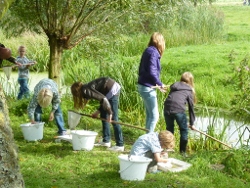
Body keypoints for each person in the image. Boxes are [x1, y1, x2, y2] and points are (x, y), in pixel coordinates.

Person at [71, 77, 124, 152]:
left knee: (114, 119)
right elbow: (103, 100)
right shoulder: (86, 89)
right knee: (103, 116)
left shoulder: (86, 90)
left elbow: (104, 99)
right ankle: (106, 141)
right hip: (108, 92)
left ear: (77, 92)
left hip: (112, 90)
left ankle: (120, 145)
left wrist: (110, 113)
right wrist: (98, 111)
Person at [137, 32, 167, 133]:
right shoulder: (154, 52)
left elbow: (147, 71)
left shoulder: (148, 50)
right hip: (147, 88)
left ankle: (146, 138)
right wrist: (160, 83)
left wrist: (157, 85)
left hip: (144, 86)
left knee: (150, 116)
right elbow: (151, 70)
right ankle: (148, 140)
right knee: (155, 116)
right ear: (160, 42)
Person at [163, 72, 196, 156]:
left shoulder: (174, 86)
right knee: (184, 130)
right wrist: (192, 123)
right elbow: (191, 107)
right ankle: (182, 153)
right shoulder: (189, 90)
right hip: (178, 110)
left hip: (167, 109)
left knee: (169, 129)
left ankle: (169, 149)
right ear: (191, 81)